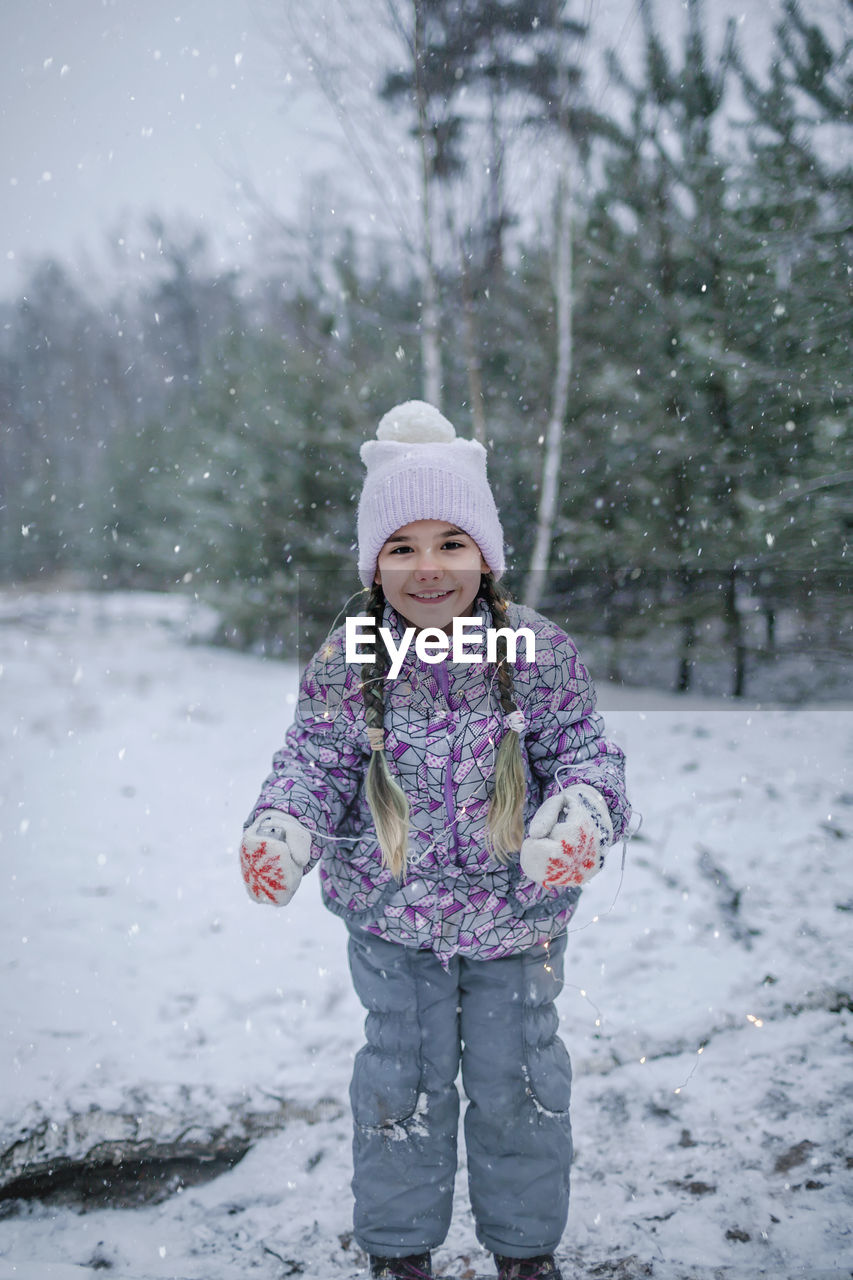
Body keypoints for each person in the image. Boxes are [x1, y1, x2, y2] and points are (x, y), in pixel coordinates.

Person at [240, 401, 631, 1280]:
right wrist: (285, 826)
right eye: (401, 546)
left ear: (484, 554)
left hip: (516, 920)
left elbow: (586, 752)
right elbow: (313, 762)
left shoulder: (536, 651)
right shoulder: (350, 658)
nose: (427, 567)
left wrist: (581, 811)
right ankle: (398, 1253)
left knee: (519, 1085)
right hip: (393, 922)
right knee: (398, 1088)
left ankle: (525, 1253)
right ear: (373, 561)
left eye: (450, 543)